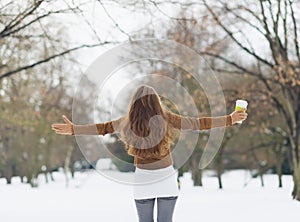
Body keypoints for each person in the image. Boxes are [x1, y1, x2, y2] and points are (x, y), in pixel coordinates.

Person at [51, 85, 248, 222]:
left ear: (134, 104)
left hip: (143, 183)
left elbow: (102, 128)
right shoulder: (166, 117)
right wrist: (230, 119)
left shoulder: (126, 122)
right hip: (167, 181)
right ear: (156, 102)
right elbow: (199, 123)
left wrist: (75, 129)